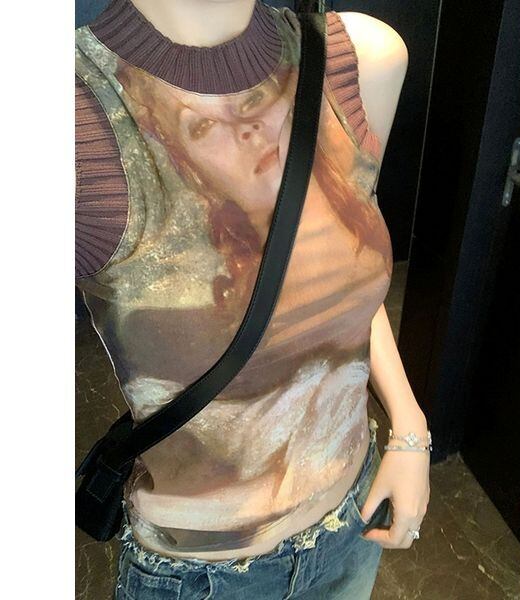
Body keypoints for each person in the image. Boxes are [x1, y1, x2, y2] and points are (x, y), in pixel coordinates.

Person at [75, 1, 430, 597]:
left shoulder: (358, 59)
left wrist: (409, 425)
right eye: (201, 128)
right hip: (202, 575)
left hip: (352, 522)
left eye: (256, 105)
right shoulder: (76, 116)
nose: (246, 128)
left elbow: (351, 282)